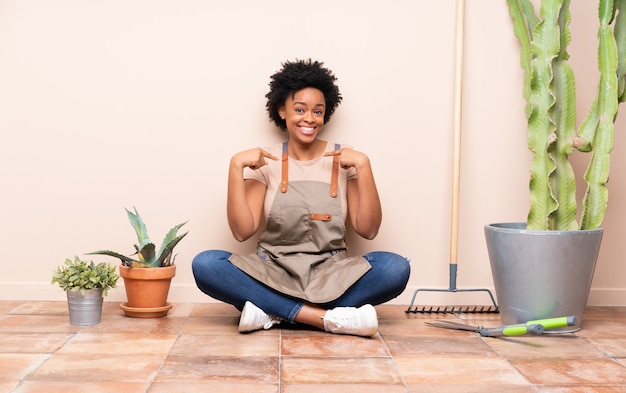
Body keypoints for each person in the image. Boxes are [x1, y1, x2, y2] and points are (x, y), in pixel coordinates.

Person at [192, 59, 410, 337]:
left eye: (317, 111)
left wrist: (364, 167)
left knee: (395, 268)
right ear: (282, 110)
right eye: (300, 109)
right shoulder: (266, 161)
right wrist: (236, 166)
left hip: (331, 274)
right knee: (206, 264)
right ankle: (325, 319)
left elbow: (368, 230)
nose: (310, 118)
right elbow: (241, 231)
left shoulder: (346, 158)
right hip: (273, 271)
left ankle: (272, 311)